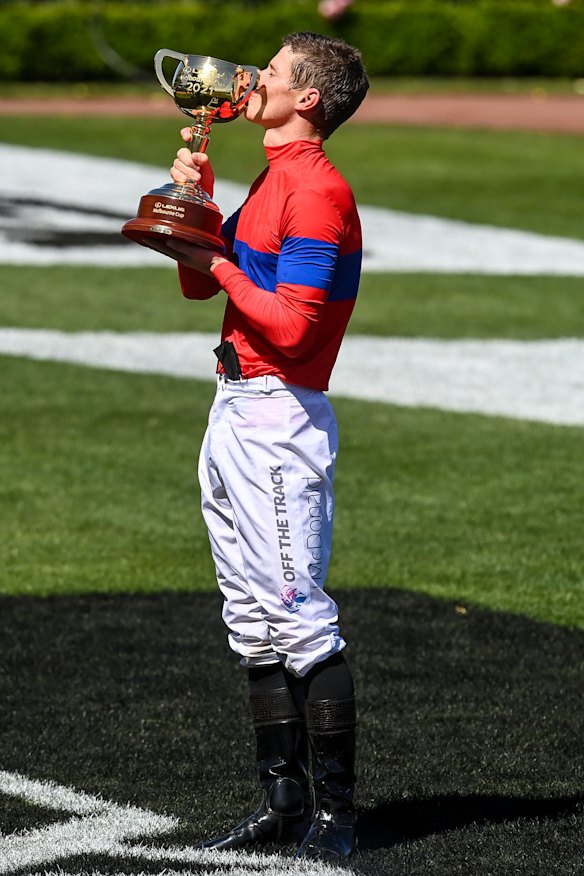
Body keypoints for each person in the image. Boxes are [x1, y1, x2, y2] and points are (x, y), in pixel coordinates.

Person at [161, 31, 368, 862]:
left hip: (279, 416)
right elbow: (195, 281)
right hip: (235, 406)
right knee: (249, 619)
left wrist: (218, 261)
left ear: (307, 98)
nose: (253, 79)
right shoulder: (272, 177)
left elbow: (290, 326)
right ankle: (283, 806)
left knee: (300, 621)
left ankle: (338, 818)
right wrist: (201, 205)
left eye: (274, 72)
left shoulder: (318, 193)